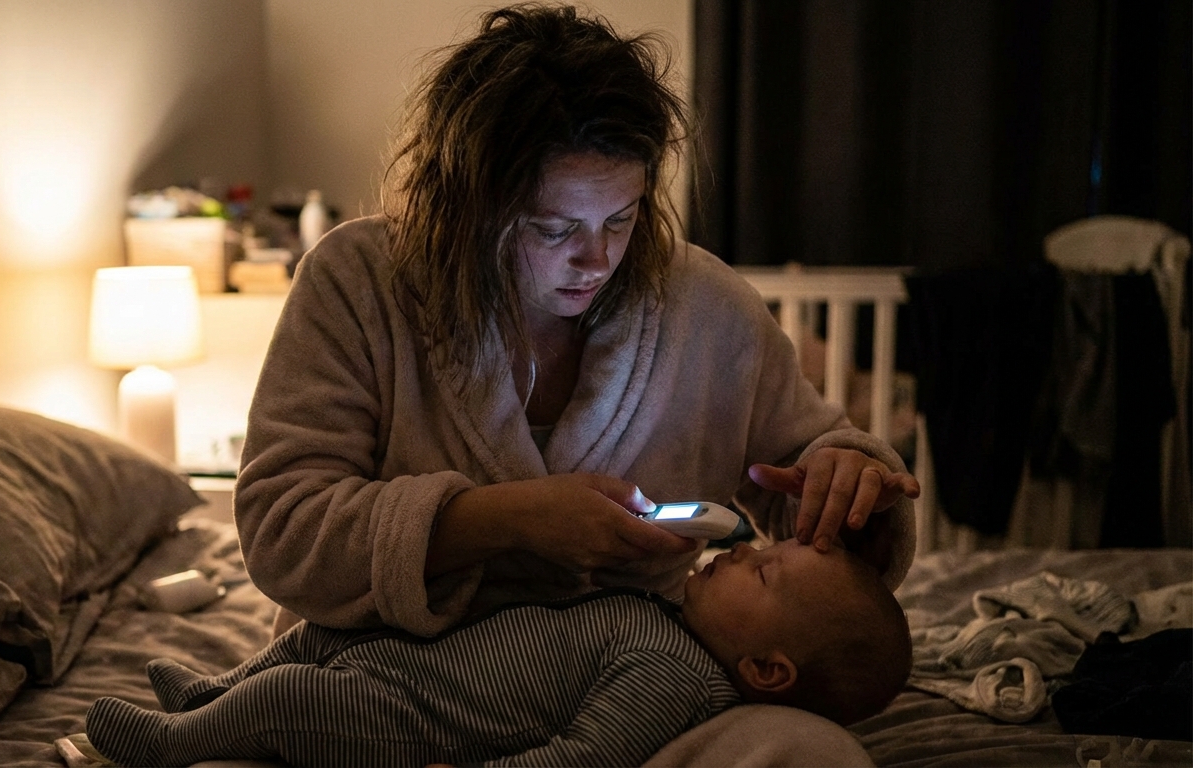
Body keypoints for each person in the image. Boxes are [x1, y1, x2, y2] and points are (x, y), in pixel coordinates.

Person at [236, 2, 919, 638]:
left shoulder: (706, 308)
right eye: (553, 227)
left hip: (622, 676)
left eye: (621, 219)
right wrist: (499, 521)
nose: (596, 258)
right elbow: (283, 528)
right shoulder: (358, 283)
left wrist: (845, 492)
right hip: (379, 669)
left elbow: (805, 480)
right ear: (467, 204)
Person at [82, 540, 912, 767]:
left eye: (762, 571)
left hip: (415, 721)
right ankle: (210, 692)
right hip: (409, 661)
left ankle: (176, 743)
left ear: (767, 669)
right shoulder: (667, 615)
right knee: (318, 632)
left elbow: (587, 755)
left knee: (295, 691)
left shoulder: (677, 678)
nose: (742, 551)